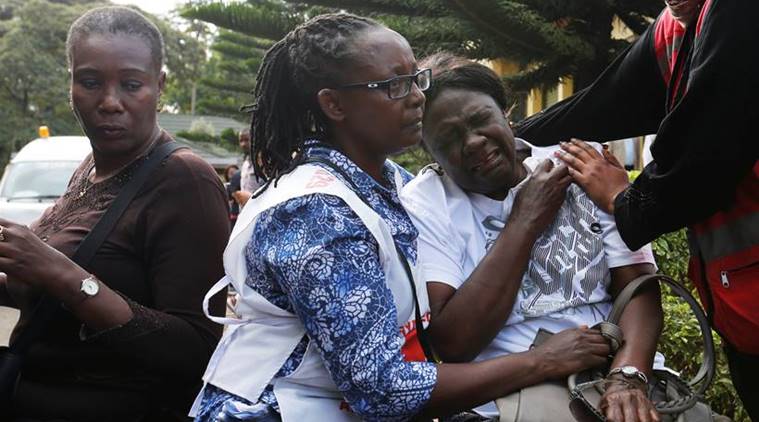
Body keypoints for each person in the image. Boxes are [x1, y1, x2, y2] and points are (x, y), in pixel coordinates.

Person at [191, 13, 612, 422]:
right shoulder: (314, 212)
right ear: (334, 104)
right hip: (276, 409)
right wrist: (539, 361)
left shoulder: (389, 180)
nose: (416, 96)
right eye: (393, 85)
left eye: (415, 77)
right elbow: (384, 391)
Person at [513, 0, 758, 416]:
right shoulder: (676, 30)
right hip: (744, 315)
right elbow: (603, 103)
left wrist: (626, 200)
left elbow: (707, 153)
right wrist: (505, 136)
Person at [400, 54, 663, 422]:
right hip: (509, 401)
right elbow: (454, 343)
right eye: (448, 138)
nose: (473, 141)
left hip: (617, 375)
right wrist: (524, 221)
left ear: (506, 112)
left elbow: (638, 287)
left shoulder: (581, 164)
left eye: (481, 120)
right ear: (429, 151)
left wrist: (628, 376)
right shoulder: (425, 203)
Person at [0, 6, 229, 421]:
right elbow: (40, 287)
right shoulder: (90, 167)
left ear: (159, 85)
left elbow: (198, 349)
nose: (109, 103)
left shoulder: (184, 180)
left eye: (131, 84)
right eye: (90, 82)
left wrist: (65, 276)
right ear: (70, 83)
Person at [230, 129, 260, 209]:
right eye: (241, 141)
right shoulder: (245, 164)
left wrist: (250, 198)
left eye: (247, 140)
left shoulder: (263, 163)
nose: (243, 144)